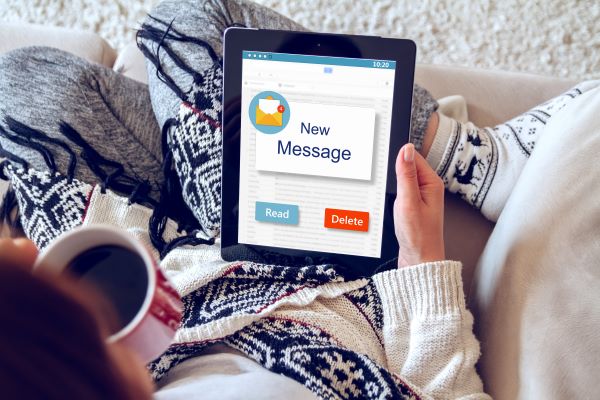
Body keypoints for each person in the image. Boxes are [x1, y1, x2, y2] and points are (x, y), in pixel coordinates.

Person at [0, 0, 596, 398]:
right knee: (188, 24)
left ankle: (180, 158)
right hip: (305, 270)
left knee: (21, 91)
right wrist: (422, 257)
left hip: (150, 288)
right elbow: (443, 388)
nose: (21, 256)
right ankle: (480, 161)